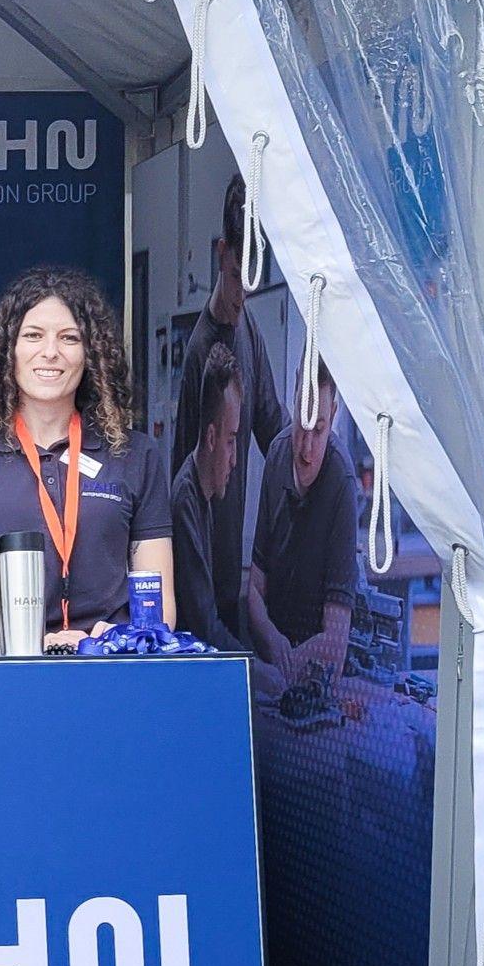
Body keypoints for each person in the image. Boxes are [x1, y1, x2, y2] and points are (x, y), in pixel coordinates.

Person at [0, 265, 173, 647]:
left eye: (70, 338)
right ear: (8, 349)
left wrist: (107, 644)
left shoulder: (135, 454)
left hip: (110, 667)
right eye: (33, 336)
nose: (51, 352)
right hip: (5, 670)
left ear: (91, 354)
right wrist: (33, 646)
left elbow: (159, 608)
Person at [168, 173, 286, 636]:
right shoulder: (202, 352)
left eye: (250, 284)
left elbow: (273, 427)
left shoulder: (249, 330)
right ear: (222, 255)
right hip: (203, 579)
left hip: (232, 575)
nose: (241, 296)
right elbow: (186, 474)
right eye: (237, 278)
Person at [245, 361, 358, 692]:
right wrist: (271, 639)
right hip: (273, 662)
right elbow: (253, 588)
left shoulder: (341, 481)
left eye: (319, 429)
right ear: (292, 403)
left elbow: (335, 642)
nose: (306, 450)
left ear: (334, 414)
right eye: (301, 426)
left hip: (313, 678)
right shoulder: (279, 453)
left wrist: (286, 663)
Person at [167, 342, 248, 654]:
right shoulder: (185, 503)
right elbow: (204, 626)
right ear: (212, 437)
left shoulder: (203, 495)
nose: (234, 460)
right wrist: (254, 668)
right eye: (231, 441)